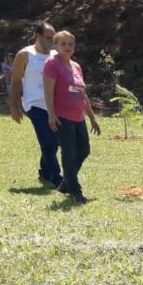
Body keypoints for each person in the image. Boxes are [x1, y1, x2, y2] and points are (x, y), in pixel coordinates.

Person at [43, 30, 101, 204]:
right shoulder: (52, 64)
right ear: (56, 46)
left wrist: (92, 117)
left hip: (78, 117)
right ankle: (76, 191)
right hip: (62, 117)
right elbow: (48, 92)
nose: (67, 47)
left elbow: (82, 94)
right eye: (63, 44)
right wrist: (51, 115)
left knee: (84, 150)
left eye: (70, 44)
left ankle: (65, 183)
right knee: (68, 154)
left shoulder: (76, 66)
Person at [8, 21, 62, 190]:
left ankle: (44, 172)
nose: (51, 41)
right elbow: (16, 82)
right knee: (48, 143)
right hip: (34, 105)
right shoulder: (25, 54)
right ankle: (57, 178)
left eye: (53, 38)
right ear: (38, 36)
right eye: (47, 37)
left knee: (54, 142)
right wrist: (14, 106)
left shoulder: (56, 54)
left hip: (54, 105)